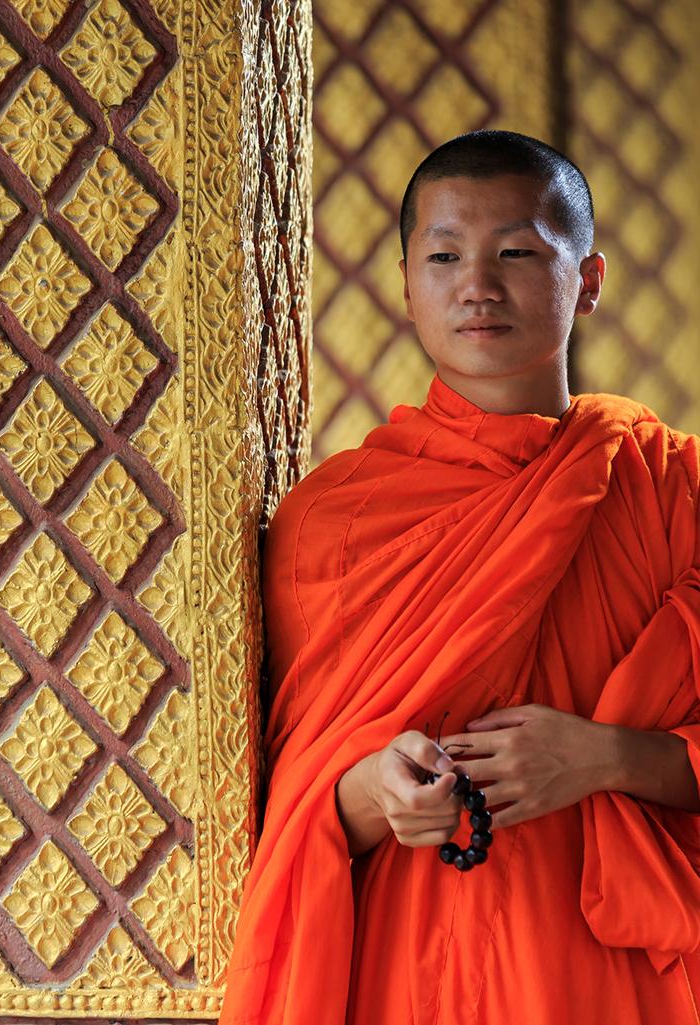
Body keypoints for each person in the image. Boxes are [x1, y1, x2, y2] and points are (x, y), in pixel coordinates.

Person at [217, 129, 700, 1024]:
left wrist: (603, 758)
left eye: (516, 251)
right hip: (406, 967)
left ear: (587, 281)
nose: (477, 285)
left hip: (609, 978)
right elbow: (275, 805)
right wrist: (371, 794)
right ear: (406, 285)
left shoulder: (673, 489)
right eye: (444, 255)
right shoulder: (334, 520)